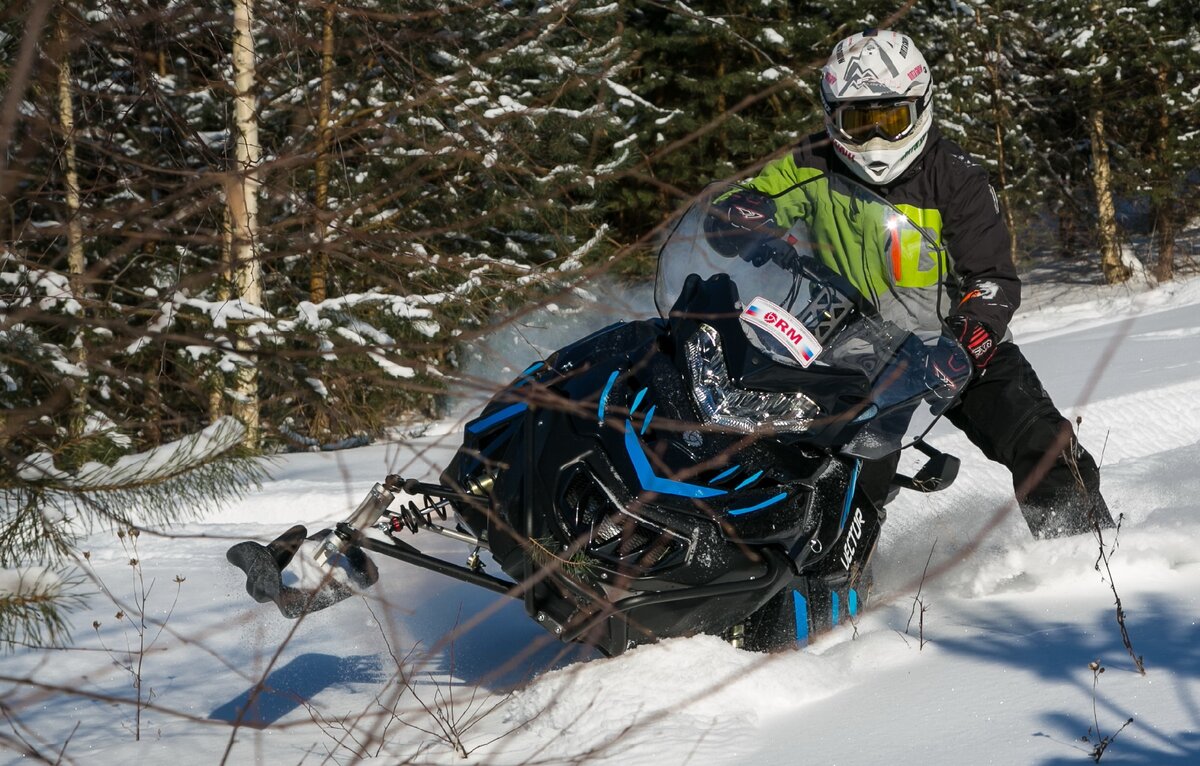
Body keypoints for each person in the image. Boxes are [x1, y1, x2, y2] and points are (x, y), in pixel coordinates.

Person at [709, 30, 1113, 539]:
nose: (875, 138)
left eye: (891, 117)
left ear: (920, 107)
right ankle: (830, 588)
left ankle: (1089, 555)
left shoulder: (956, 177)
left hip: (949, 342)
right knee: (838, 474)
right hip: (850, 348)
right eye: (859, 121)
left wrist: (967, 340)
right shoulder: (809, 164)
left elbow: (993, 279)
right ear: (832, 117)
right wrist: (737, 213)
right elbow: (746, 196)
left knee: (1042, 442)